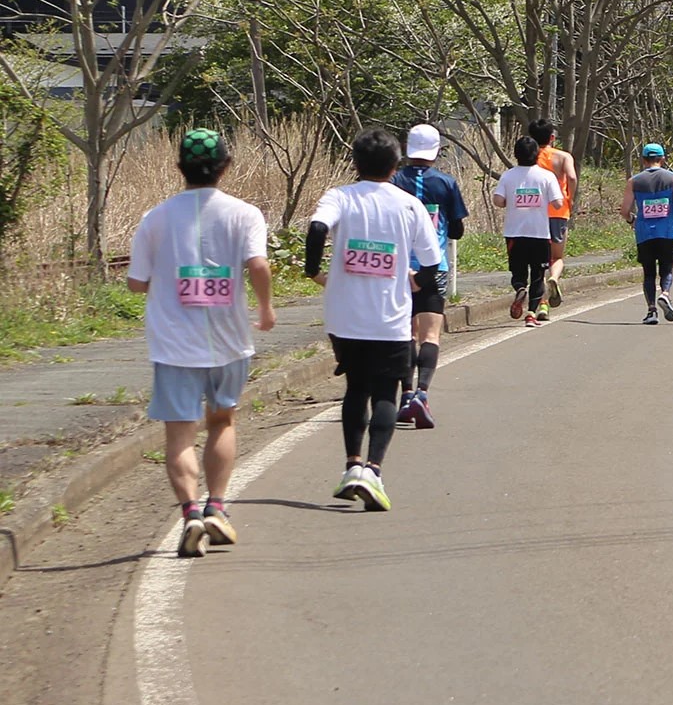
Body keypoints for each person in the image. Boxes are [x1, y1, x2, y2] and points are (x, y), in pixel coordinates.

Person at [129, 129, 275, 557]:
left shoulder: (155, 218)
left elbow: (137, 283)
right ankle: (217, 507)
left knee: (178, 435)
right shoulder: (245, 214)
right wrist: (266, 309)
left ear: (179, 168)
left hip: (173, 344)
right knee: (222, 422)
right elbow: (259, 264)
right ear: (226, 166)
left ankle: (190, 513)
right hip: (229, 340)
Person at [306, 127, 441, 513]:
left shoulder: (340, 197)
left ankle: (351, 466)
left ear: (355, 162)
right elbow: (432, 263)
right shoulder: (408, 205)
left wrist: (313, 270)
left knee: (355, 389)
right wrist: (415, 283)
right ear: (395, 165)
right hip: (390, 317)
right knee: (386, 393)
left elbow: (317, 228)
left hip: (344, 317)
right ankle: (374, 471)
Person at [391, 124, 467, 429]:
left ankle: (406, 393)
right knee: (430, 335)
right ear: (436, 151)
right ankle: (423, 392)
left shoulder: (394, 180)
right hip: (433, 267)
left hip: (397, 270)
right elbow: (458, 229)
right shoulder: (446, 183)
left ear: (408, 148)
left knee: (405, 334)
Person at [493, 136, 563, 325]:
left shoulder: (508, 175)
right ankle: (531, 313)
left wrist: (511, 200)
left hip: (514, 233)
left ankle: (519, 289)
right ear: (537, 154)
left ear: (516, 154)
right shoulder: (546, 176)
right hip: (539, 234)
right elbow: (558, 203)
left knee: (518, 272)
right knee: (538, 275)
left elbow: (498, 201)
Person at [626, 142, 673, 325]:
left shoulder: (634, 181)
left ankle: (651, 310)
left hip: (644, 233)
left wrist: (632, 221)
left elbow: (624, 210)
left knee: (649, 272)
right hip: (667, 232)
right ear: (662, 159)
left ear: (643, 160)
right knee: (667, 268)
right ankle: (665, 294)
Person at [530, 118, 578, 310]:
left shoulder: (529, 156)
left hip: (534, 212)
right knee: (556, 257)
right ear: (552, 137)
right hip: (558, 210)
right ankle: (554, 278)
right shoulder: (563, 156)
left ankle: (542, 303)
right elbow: (572, 177)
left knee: (538, 260)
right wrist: (570, 197)